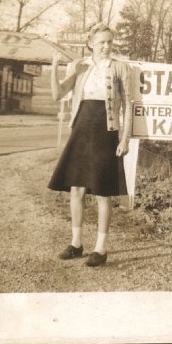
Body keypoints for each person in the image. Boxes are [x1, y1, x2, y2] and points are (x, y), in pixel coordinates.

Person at [48, 23, 132, 267]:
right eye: (101, 42)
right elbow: (57, 94)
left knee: (102, 193)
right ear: (91, 44)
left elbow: (129, 105)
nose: (106, 46)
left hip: (106, 132)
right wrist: (55, 68)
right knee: (77, 189)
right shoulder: (80, 66)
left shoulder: (120, 68)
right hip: (81, 131)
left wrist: (125, 138)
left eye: (109, 42)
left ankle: (101, 248)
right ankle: (76, 243)